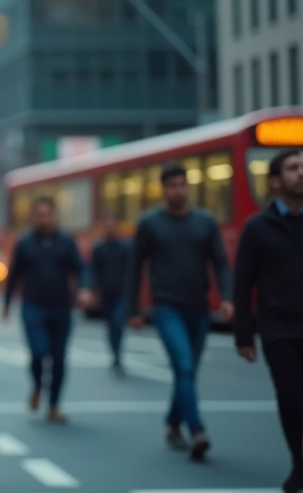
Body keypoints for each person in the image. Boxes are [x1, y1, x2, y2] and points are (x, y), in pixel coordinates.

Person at [127, 162, 233, 462]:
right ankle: (196, 430)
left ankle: (173, 423)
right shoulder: (150, 223)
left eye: (182, 185)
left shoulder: (204, 221)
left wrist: (227, 297)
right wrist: (133, 309)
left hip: (199, 307)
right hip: (166, 307)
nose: (178, 191)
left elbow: (220, 262)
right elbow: (135, 266)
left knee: (188, 371)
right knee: (184, 366)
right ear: (163, 189)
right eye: (172, 186)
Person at [233, 149, 303, 493]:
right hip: (279, 327)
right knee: (291, 398)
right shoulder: (258, 227)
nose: (301, 173)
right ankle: (299, 463)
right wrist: (243, 336)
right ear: (276, 181)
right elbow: (243, 282)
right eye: (293, 168)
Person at [3, 197, 91, 423]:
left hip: (61, 307)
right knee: (38, 352)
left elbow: (80, 268)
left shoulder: (66, 241)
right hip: (33, 307)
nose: (44, 219)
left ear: (54, 215)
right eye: (40, 214)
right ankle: (37, 385)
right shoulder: (25, 243)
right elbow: (14, 275)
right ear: (34, 217)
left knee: (59, 358)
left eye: (48, 214)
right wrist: (6, 304)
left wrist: (84, 288)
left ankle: (54, 404)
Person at [90, 213, 133, 374]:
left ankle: (117, 355)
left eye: (112, 225)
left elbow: (131, 271)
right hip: (106, 293)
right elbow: (95, 271)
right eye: (107, 225)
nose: (110, 228)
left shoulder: (125, 247)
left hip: (122, 293)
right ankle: (115, 355)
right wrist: (94, 290)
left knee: (117, 322)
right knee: (111, 326)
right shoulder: (99, 248)